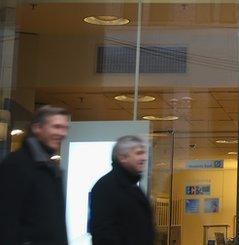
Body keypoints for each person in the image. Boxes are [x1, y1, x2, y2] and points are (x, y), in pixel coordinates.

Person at [0, 105, 71, 245]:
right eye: (56, 127)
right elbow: (7, 220)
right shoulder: (17, 164)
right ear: (37, 128)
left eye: (65, 128)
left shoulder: (50, 168)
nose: (63, 133)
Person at [88, 135, 154, 245]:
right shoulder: (105, 188)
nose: (144, 158)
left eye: (143, 153)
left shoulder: (133, 187)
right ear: (123, 157)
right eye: (138, 153)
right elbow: (104, 236)